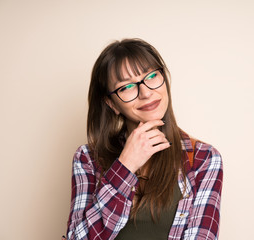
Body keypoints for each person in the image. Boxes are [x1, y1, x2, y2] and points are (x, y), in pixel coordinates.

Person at [64, 38, 223, 240]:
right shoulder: (87, 158)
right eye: (127, 87)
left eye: (152, 76)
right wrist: (126, 165)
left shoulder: (203, 159)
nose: (147, 93)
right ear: (111, 104)